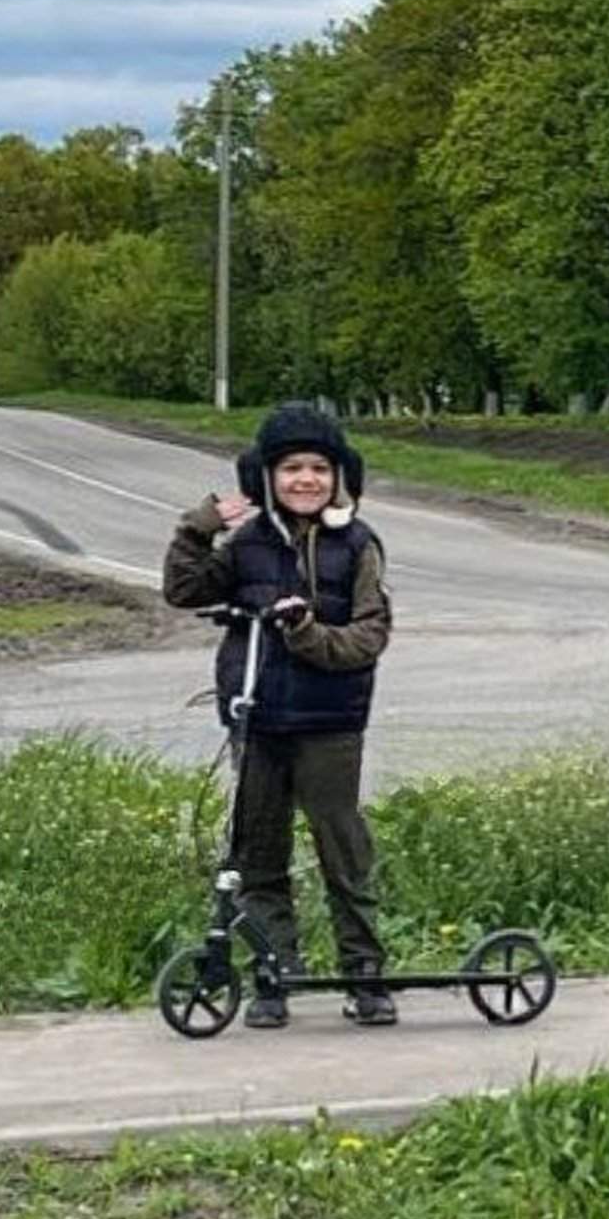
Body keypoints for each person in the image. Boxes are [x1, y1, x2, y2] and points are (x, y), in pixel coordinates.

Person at [163, 401, 396, 1028]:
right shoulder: (248, 544)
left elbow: (368, 638)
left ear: (339, 476)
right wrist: (198, 527)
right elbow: (185, 590)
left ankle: (365, 975)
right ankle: (274, 973)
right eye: (291, 467)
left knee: (342, 849)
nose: (305, 480)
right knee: (257, 853)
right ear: (265, 476)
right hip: (258, 719)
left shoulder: (358, 546)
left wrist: (306, 632)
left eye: (319, 468)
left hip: (330, 723)